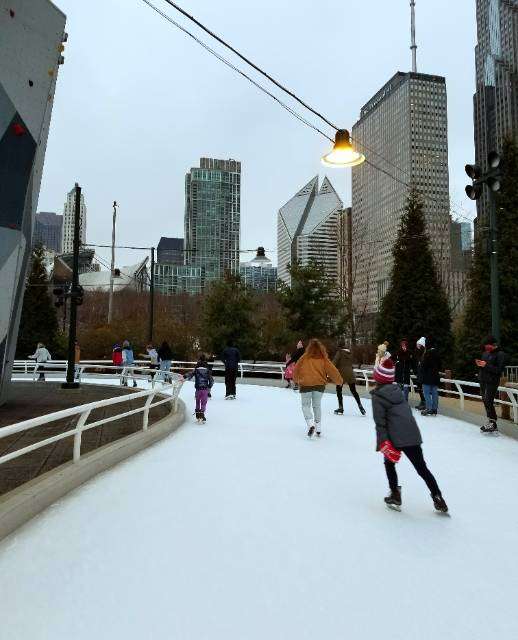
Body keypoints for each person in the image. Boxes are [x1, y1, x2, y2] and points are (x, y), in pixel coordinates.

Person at [370, 357, 448, 513]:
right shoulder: (398, 391)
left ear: (378, 378)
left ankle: (395, 494)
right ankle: (437, 496)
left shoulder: (378, 396)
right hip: (412, 434)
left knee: (389, 464)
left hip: (394, 437)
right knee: (422, 468)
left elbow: (381, 423)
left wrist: (383, 443)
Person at [293, 339, 343, 438]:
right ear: (321, 348)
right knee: (317, 406)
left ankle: (310, 424)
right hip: (319, 385)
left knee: (305, 406)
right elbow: (332, 370)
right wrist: (339, 381)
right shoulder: (323, 358)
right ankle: (318, 428)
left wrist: (296, 379)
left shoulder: (304, 358)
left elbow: (296, 368)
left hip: (306, 384)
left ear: (309, 348)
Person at [476, 335, 507, 434]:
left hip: (492, 381)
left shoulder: (500, 354)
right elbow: (484, 366)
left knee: (489, 400)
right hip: (483, 380)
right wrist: (480, 365)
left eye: (487, 345)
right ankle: (490, 421)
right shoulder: (485, 353)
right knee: (485, 400)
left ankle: (493, 422)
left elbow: (499, 370)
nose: (486, 347)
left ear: (493, 345)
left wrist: (486, 365)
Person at [332, 338, 366, 415]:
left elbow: (334, 363)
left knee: (339, 390)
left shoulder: (340, 352)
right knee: (353, 390)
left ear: (339, 346)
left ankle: (341, 408)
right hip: (350, 373)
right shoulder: (350, 353)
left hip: (341, 374)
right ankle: (360, 406)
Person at [184, 353, 214, 423]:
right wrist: (209, 387)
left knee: (198, 402)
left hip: (198, 389)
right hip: (205, 390)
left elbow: (190, 374)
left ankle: (198, 417)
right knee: (203, 403)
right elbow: (212, 381)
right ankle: (202, 416)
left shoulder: (196, 370)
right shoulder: (208, 371)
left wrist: (184, 376)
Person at [421, 336, 442, 416]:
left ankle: (428, 408)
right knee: (434, 393)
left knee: (426, 392)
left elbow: (424, 366)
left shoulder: (427, 354)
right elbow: (440, 365)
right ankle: (434, 409)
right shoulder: (437, 353)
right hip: (435, 376)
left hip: (427, 377)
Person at [413, 337, 427, 411]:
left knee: (423, 389)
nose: (417, 346)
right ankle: (422, 401)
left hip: (423, 375)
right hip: (419, 374)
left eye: (419, 345)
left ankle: (425, 402)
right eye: (417, 345)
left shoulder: (424, 355)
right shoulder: (417, 354)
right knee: (419, 389)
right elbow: (416, 363)